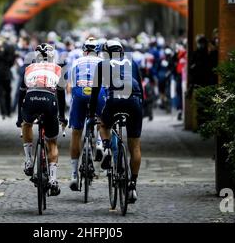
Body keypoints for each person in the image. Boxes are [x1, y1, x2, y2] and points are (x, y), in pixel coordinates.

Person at [88, 40, 144, 204]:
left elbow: (94, 93)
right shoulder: (131, 61)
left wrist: (92, 115)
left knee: (104, 125)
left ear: (107, 52)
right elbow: (141, 87)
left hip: (113, 101)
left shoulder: (103, 64)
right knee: (135, 145)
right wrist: (142, 109)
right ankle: (132, 185)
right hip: (134, 101)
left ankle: (106, 147)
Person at [16, 43, 67, 196]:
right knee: (51, 141)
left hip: (31, 99)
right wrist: (62, 117)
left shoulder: (29, 68)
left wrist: (20, 118)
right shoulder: (58, 69)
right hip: (49, 101)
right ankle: (53, 179)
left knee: (27, 124)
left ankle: (28, 161)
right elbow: (62, 96)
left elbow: (21, 95)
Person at [68, 38, 106, 192]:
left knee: (76, 133)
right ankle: (98, 142)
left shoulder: (77, 61)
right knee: (103, 122)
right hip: (98, 93)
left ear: (84, 51)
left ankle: (73, 175)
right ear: (97, 51)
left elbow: (70, 85)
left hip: (80, 93)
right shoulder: (103, 62)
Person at [0, 35, 16, 119]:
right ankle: (8, 112)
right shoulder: (10, 49)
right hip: (6, 74)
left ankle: (3, 112)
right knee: (7, 93)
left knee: (0, 95)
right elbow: (12, 61)